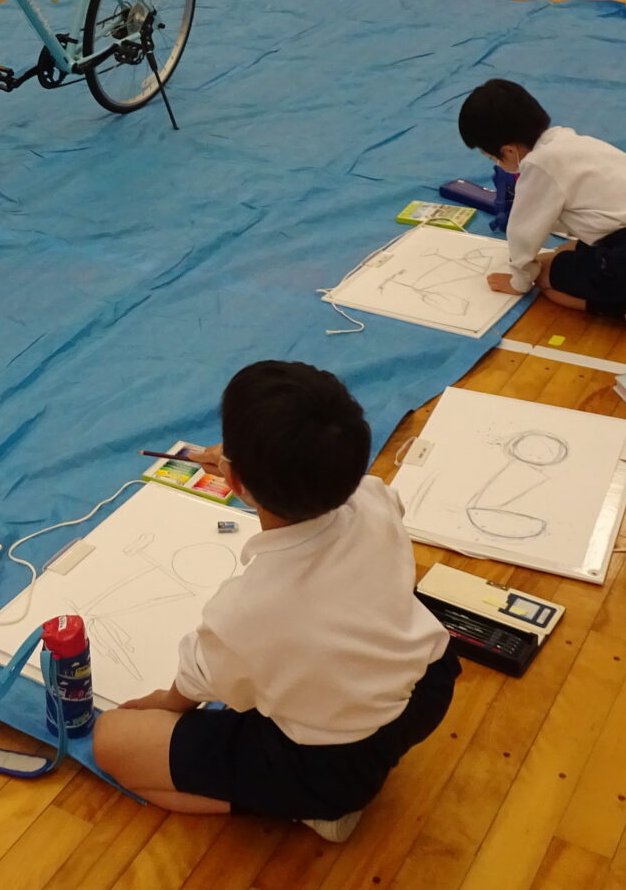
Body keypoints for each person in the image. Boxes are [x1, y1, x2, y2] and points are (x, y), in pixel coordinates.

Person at [92, 361, 459, 843]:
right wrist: (243, 462)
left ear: (236, 482)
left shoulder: (248, 611)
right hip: (430, 683)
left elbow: (201, 678)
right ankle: (319, 789)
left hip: (334, 761)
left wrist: (167, 703)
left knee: (111, 741)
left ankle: (310, 809)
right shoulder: (374, 495)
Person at [458, 78, 626, 334]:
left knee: (545, 282)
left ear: (509, 151)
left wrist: (519, 282)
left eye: (491, 156)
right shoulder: (571, 141)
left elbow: (523, 233)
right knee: (559, 252)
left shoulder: (538, 165)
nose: (494, 162)